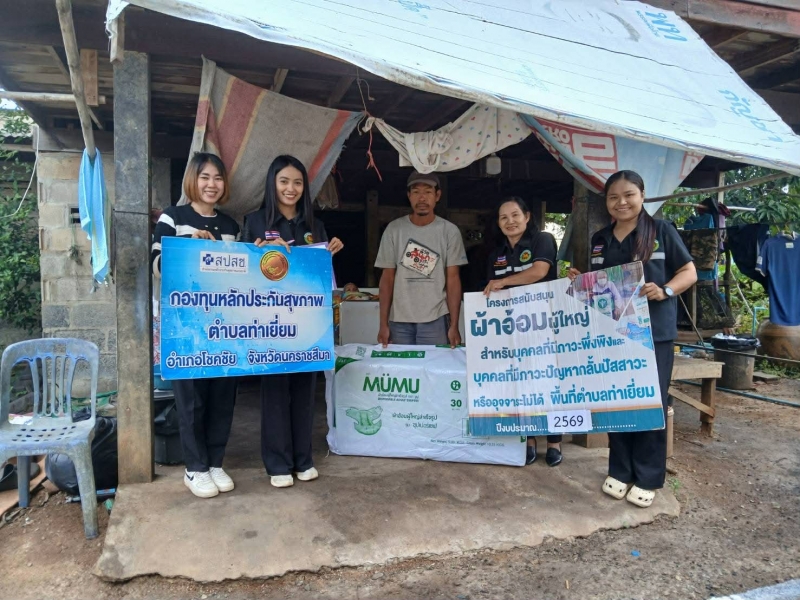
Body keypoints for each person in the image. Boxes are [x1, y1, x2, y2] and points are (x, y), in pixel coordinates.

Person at [569, 170, 696, 508]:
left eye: (628, 195)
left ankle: (648, 476)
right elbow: (599, 284)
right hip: (612, 336)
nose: (621, 202)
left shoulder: (661, 231)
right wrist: (581, 280)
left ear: (642, 195)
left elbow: (689, 272)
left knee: (651, 401)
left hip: (654, 333)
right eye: (613, 197)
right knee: (618, 401)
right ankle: (620, 470)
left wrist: (666, 290)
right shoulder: (600, 239)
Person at [243, 155, 343, 488]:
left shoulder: (314, 226)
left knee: (304, 391)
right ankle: (277, 464)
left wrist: (329, 254)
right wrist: (257, 252)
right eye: (284, 181)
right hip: (271, 323)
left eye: (298, 183)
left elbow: (320, 277)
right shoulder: (255, 222)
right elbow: (242, 275)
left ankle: (303, 459)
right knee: (274, 392)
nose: (291, 188)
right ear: (272, 184)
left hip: (307, 324)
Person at [151, 152, 240, 499]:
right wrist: (190, 246)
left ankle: (215, 462)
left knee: (222, 397)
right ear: (192, 180)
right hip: (185, 325)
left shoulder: (231, 226)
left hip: (223, 324)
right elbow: (157, 265)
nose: (211, 184)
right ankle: (195, 468)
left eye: (217, 178)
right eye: (205, 177)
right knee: (190, 399)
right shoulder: (173, 218)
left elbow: (239, 272)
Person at [483, 196, 563, 467]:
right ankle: (529, 440)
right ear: (498, 223)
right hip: (512, 330)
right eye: (503, 217)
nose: (510, 221)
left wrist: (504, 281)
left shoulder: (543, 240)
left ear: (527, 216)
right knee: (522, 384)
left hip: (544, 326)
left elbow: (539, 271)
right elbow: (492, 290)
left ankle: (554, 442)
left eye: (515, 215)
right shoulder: (497, 254)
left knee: (548, 383)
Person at [375, 171, 468, 347]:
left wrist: (454, 325)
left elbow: (453, 279)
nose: (422, 198)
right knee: (401, 365)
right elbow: (387, 279)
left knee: (434, 365)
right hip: (399, 320)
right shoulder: (394, 230)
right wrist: (383, 323)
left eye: (428, 192)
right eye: (416, 192)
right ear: (409, 196)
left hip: (436, 319)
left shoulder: (449, 231)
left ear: (437, 195)